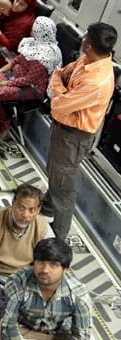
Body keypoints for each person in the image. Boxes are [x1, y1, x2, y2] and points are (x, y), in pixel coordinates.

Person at [42, 22, 117, 239]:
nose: (82, 38)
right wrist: (61, 87)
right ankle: (47, 205)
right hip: (63, 130)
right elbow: (60, 73)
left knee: (63, 186)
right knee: (54, 171)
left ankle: (59, 235)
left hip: (73, 137)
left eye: (85, 36)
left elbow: (58, 104)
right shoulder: (87, 60)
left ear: (89, 45)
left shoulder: (97, 82)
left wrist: (58, 88)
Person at [0, 16, 62, 141]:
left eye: (34, 28)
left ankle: (4, 124)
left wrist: (2, 84)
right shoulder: (33, 44)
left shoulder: (44, 57)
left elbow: (27, 80)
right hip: (13, 77)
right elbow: (15, 61)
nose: (31, 30)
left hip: (30, 88)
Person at [1, 238, 92, 340]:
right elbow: (7, 326)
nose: (45, 270)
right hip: (22, 331)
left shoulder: (78, 295)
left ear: (65, 269)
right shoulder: (17, 283)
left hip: (56, 333)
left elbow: (80, 337)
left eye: (54, 265)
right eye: (41, 262)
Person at [0, 184, 54, 283]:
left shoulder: (43, 228)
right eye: (21, 208)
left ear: (38, 210)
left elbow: (51, 258)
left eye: (32, 210)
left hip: (22, 280)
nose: (25, 215)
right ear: (13, 203)